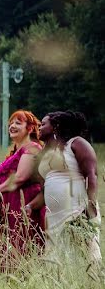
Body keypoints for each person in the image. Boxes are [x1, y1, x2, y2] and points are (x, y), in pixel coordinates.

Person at [35, 111, 100, 270]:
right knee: (58, 262)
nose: (39, 127)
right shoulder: (45, 154)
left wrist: (89, 207)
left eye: (43, 124)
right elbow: (47, 187)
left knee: (87, 257)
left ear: (56, 126)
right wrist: (31, 206)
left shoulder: (76, 144)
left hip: (78, 211)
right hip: (54, 217)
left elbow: (92, 175)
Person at [0, 110, 45, 269]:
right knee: (4, 257)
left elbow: (20, 177)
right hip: (7, 207)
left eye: (18, 123)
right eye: (11, 123)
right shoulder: (14, 152)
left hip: (22, 204)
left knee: (22, 254)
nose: (12, 126)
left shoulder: (32, 147)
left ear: (30, 128)